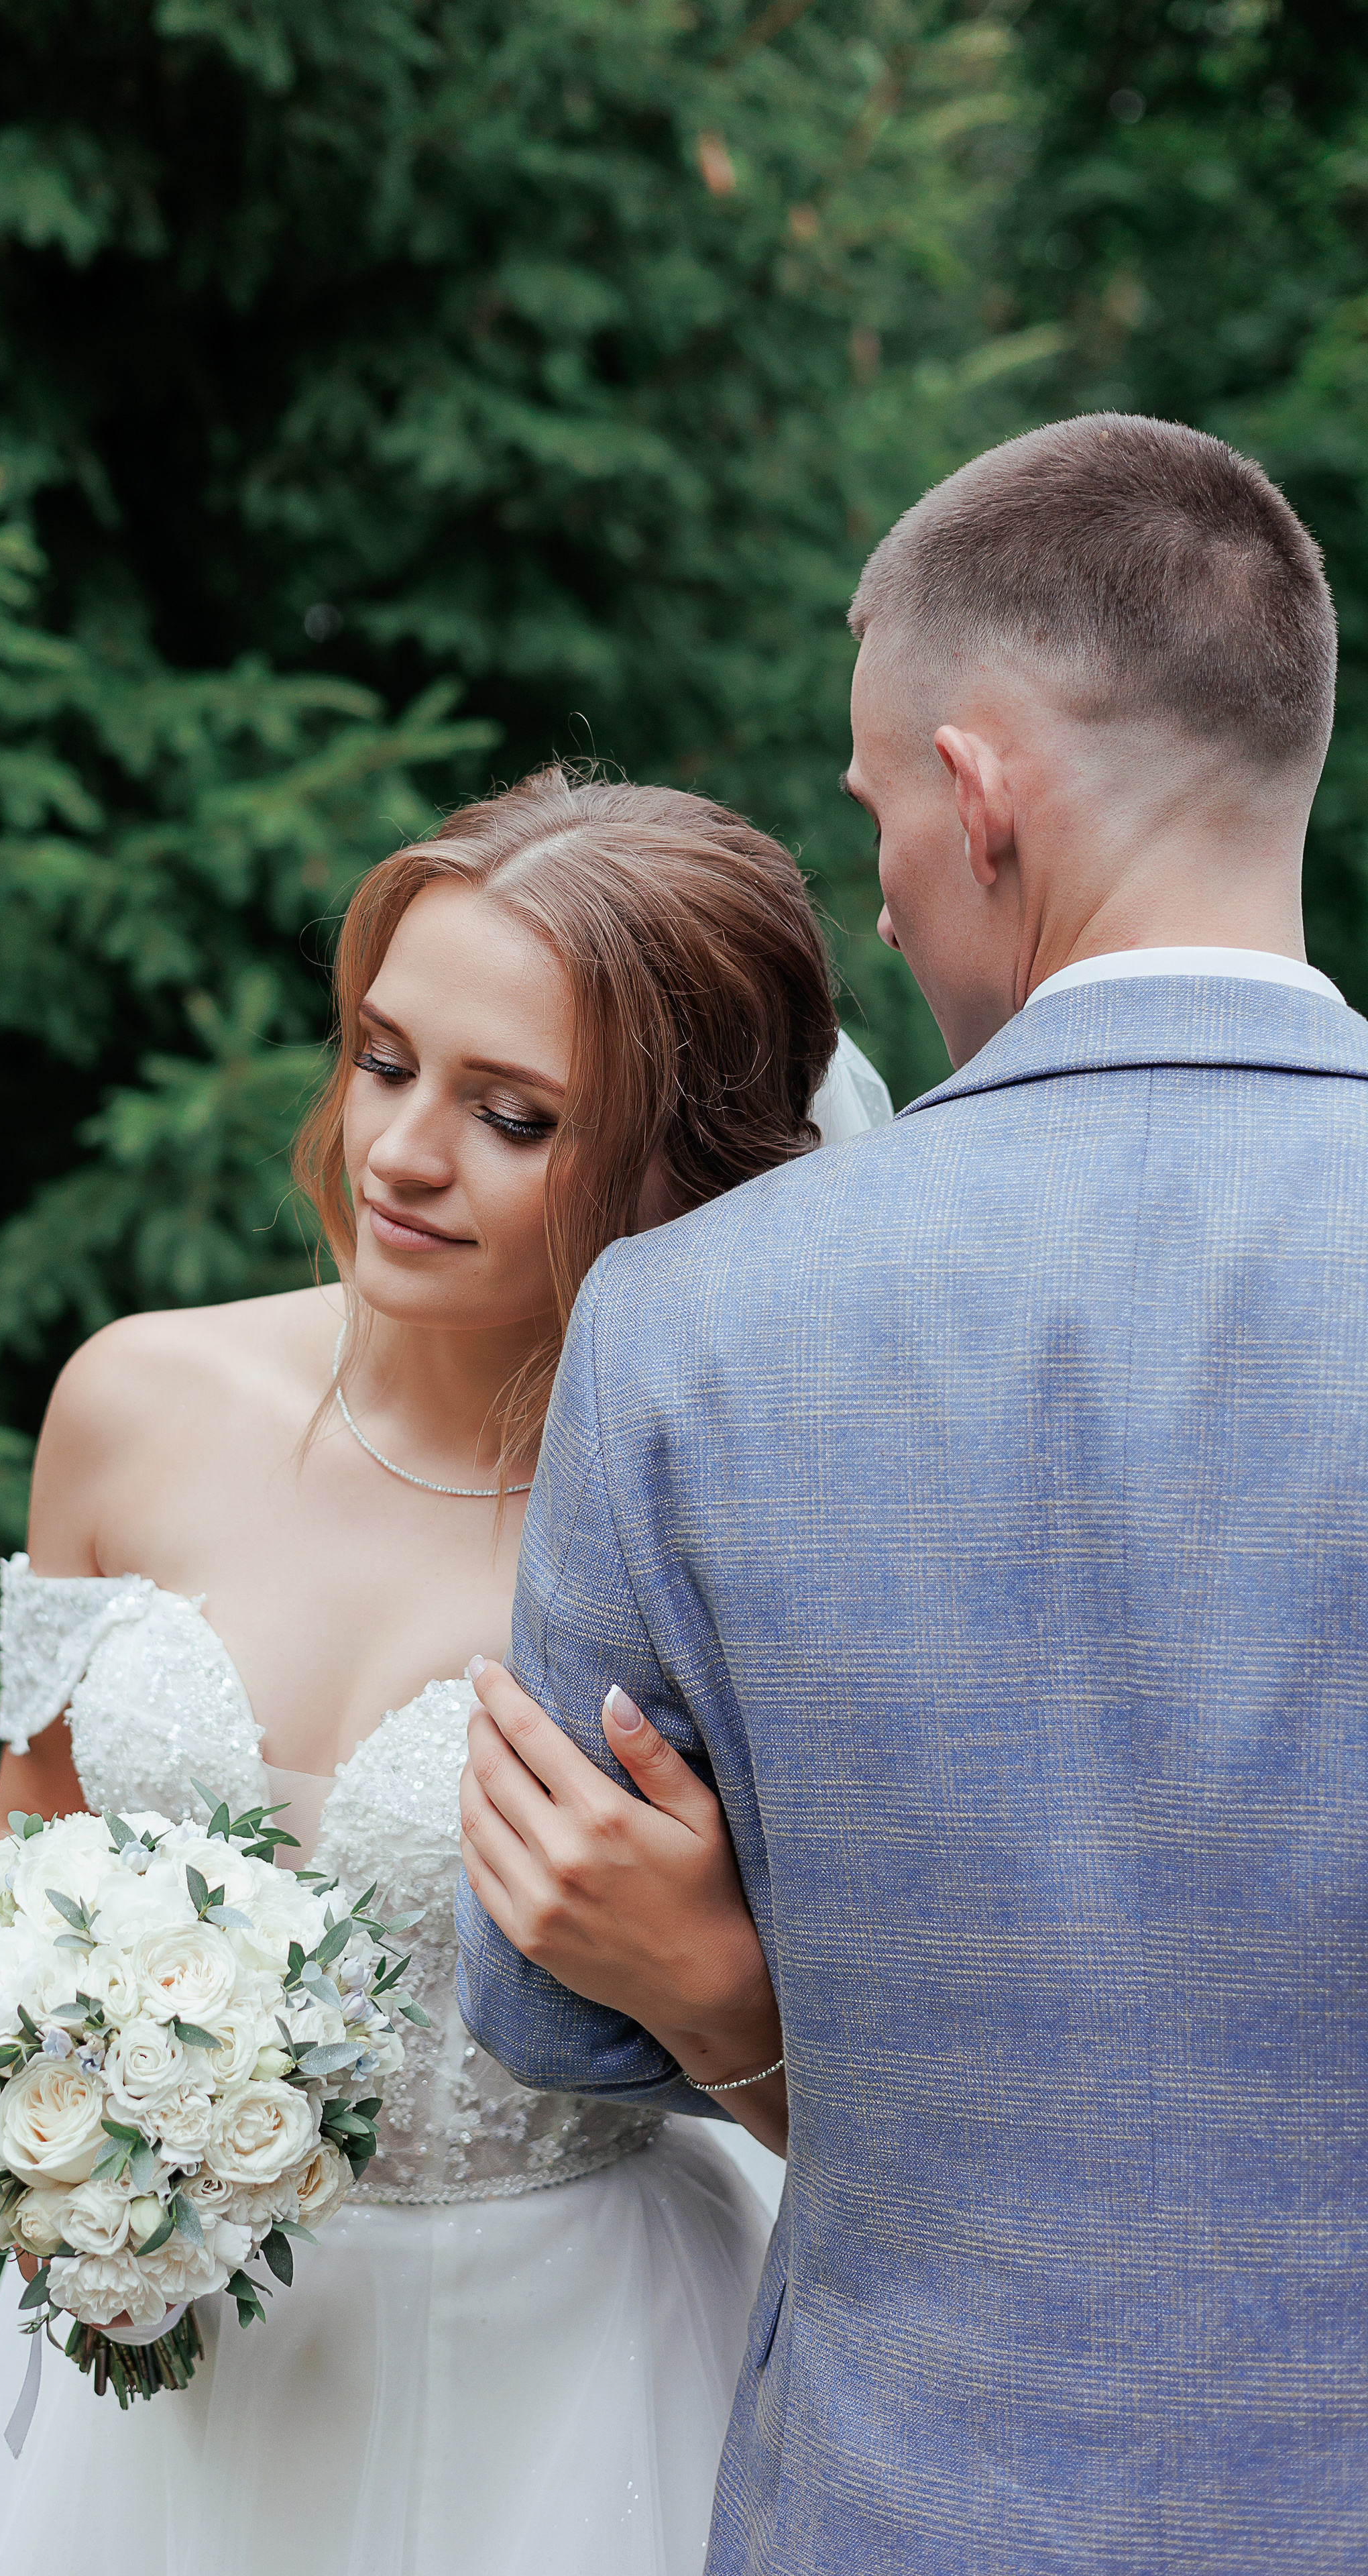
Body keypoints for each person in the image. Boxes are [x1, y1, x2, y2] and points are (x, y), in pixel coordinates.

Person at [456, 416, 1368, 2573]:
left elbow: (545, 2005)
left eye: (876, 813)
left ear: (976, 802)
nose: (876, 889)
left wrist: (737, 1990)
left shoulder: (688, 1322)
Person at [0, 765, 890, 2576]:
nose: (402, 1154)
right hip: (160, 2396)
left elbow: (923, 2126)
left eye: (512, 1116)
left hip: (567, 2388)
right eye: (382, 1058)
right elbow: (20, 1854)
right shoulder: (132, 1403)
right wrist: (49, 2144)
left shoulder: (729, 1544)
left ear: (679, 1165)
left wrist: (714, 1999)